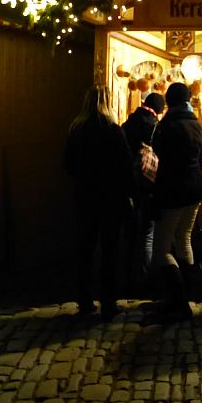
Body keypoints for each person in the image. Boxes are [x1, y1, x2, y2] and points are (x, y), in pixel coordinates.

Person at [64, 84, 133, 320]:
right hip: (110, 197)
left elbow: (68, 163)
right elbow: (125, 165)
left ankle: (84, 299)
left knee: (85, 248)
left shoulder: (76, 129)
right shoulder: (113, 130)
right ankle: (108, 301)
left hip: (84, 196)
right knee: (110, 250)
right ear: (108, 102)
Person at [149, 82, 202, 323]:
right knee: (184, 239)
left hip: (173, 191)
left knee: (161, 250)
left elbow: (159, 156)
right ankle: (187, 295)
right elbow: (199, 158)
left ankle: (178, 301)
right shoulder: (197, 124)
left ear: (169, 101)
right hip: (195, 189)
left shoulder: (166, 126)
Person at [121, 92, 165, 290]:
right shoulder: (156, 126)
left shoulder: (128, 123)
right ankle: (145, 279)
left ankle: (126, 276)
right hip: (148, 184)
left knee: (129, 232)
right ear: (159, 109)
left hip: (128, 184)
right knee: (148, 232)